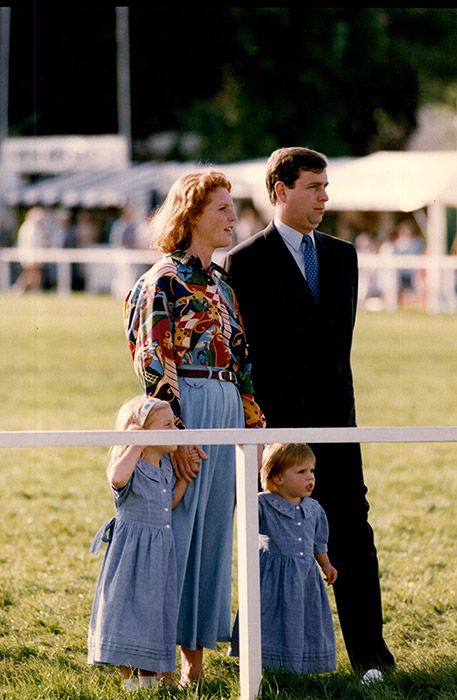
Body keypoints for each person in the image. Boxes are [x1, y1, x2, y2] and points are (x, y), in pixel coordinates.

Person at [224, 146, 395, 676]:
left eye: (326, 186)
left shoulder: (344, 256)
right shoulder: (244, 262)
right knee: (272, 539)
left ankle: (371, 657)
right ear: (281, 190)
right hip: (279, 433)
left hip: (340, 424)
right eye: (314, 186)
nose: (325, 196)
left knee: (352, 532)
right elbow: (249, 357)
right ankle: (259, 652)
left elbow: (337, 349)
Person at [123, 170, 266, 686]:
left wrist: (253, 426)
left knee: (211, 542)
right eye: (223, 209)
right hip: (187, 410)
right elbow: (154, 361)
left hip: (227, 409)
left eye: (232, 208)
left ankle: (194, 665)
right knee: (175, 535)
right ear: (192, 216)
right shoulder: (162, 280)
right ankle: (149, 661)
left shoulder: (224, 284)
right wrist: (177, 435)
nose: (233, 217)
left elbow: (242, 361)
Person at [87, 394, 189, 691]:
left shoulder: (166, 466)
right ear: (142, 432)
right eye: (168, 425)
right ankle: (130, 681)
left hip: (159, 551)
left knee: (153, 612)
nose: (176, 430)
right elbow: (117, 479)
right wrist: (137, 443)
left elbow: (168, 502)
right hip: (131, 553)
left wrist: (184, 480)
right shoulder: (130, 463)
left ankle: (149, 680)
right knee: (126, 611)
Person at [230, 443, 337, 674]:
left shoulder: (314, 509)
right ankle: (264, 662)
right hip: (272, 577)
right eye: (301, 472)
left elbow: (318, 542)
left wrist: (325, 564)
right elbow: (245, 523)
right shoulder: (261, 504)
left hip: (304, 576)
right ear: (277, 478)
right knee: (270, 618)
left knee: (303, 617)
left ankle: (301, 663)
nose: (310, 477)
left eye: (311, 471)